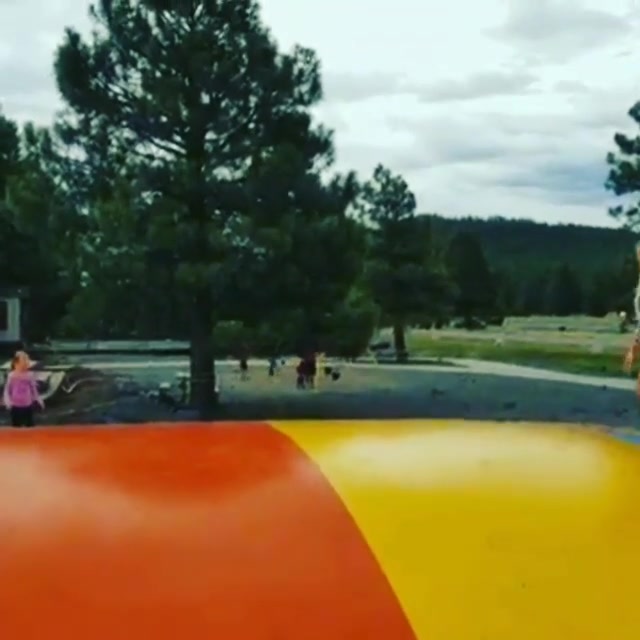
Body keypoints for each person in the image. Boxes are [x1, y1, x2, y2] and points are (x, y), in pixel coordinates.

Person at [3, 351, 44, 427]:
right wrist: (8, 402)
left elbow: (34, 389)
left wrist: (39, 400)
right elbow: (7, 390)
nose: (26, 362)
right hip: (15, 405)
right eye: (23, 360)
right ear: (16, 363)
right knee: (16, 426)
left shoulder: (29, 375)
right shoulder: (11, 376)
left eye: (27, 360)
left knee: (29, 425)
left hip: (27, 405)